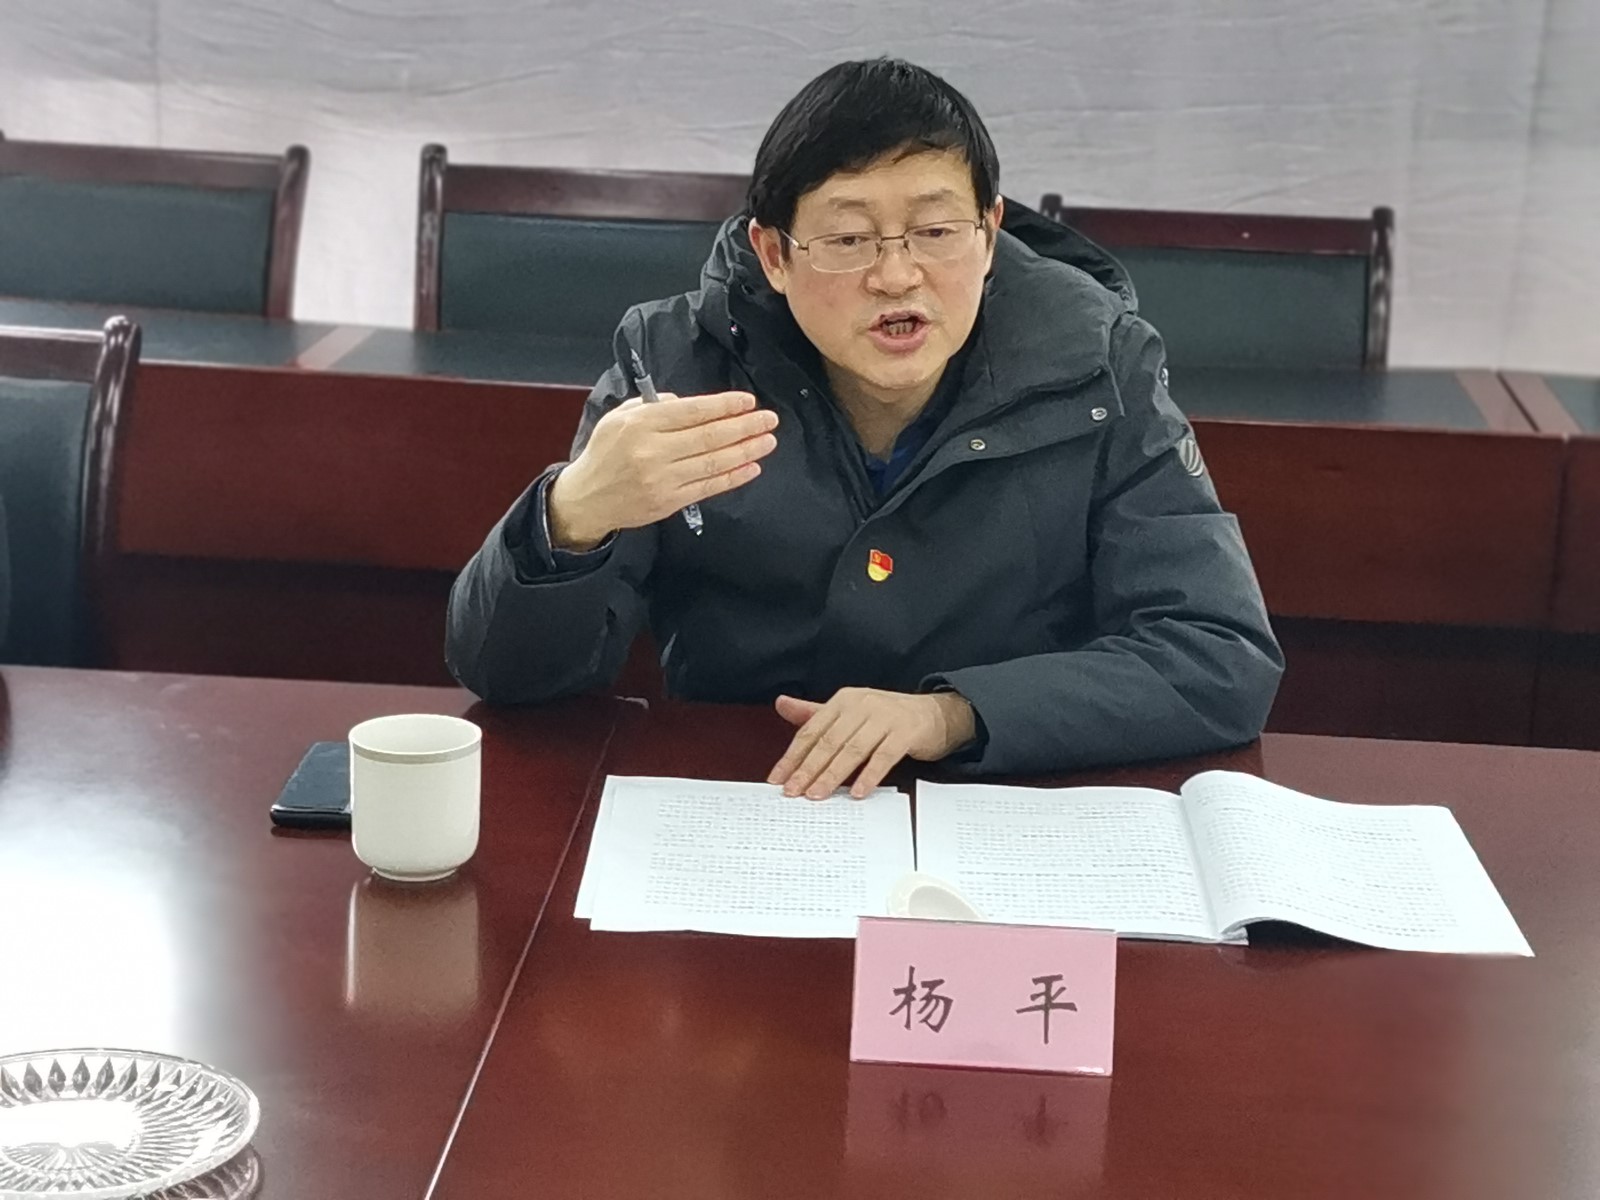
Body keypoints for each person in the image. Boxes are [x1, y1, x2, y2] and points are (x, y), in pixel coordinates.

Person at [446, 57, 1283, 797]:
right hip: (746, 795)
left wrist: (953, 715)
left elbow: (1218, 655)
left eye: (936, 232)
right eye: (849, 238)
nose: (897, 275)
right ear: (774, 255)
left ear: (990, 234)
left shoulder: (1098, 364)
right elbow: (506, 678)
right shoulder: (677, 366)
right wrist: (572, 516)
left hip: (1008, 802)